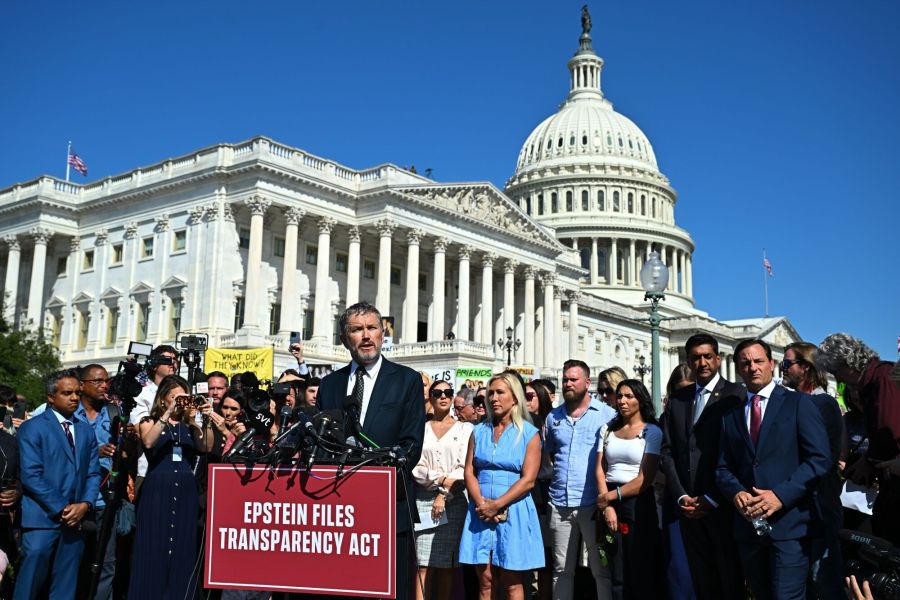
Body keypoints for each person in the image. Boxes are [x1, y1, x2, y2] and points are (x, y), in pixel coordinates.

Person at [317, 301, 425, 600]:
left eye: (372, 328)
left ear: (382, 334)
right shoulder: (330, 385)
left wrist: (373, 478)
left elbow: (412, 444)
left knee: (390, 590)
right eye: (357, 330)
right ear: (344, 339)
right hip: (339, 511)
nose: (366, 336)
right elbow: (322, 445)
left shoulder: (407, 380)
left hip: (390, 506)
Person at [716, 338, 831, 600]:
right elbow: (723, 468)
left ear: (771, 363)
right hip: (749, 529)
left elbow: (819, 459)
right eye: (745, 363)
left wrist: (780, 496)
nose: (752, 368)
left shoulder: (798, 404)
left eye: (758, 361)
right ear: (737, 368)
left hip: (790, 527)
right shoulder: (731, 415)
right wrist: (736, 493)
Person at [658, 334, 745, 600]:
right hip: (688, 506)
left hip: (723, 505)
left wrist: (712, 498)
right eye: (696, 358)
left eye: (708, 356)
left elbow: (739, 454)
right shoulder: (678, 400)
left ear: (718, 359)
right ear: (688, 361)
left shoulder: (736, 395)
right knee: (701, 580)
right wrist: (682, 496)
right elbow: (668, 451)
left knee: (729, 580)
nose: (702, 363)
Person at [15, 369, 101, 600]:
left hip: (75, 522)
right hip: (41, 520)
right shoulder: (32, 427)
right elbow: (31, 475)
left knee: (65, 589)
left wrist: (85, 504)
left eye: (77, 393)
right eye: (67, 393)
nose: (74, 397)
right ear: (51, 397)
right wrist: (63, 508)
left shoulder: (85, 430)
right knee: (29, 586)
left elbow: (94, 473)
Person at [459, 372, 544, 600]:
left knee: (511, 581)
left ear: (514, 397)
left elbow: (528, 480)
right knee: (485, 580)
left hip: (514, 510)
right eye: (491, 393)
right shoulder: (479, 431)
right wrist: (482, 504)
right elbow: (469, 471)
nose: (493, 398)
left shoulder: (529, 434)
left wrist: (497, 505)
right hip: (480, 511)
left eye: (500, 392)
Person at [128, 375, 214, 600]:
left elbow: (206, 446)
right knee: (154, 544)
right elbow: (149, 441)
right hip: (158, 488)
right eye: (175, 397)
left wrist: (205, 419)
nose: (180, 401)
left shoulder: (190, 425)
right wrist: (168, 413)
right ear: (163, 398)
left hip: (185, 489)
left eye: (184, 397)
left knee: (182, 546)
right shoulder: (149, 420)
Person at [818, 332, 900, 545]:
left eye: (836, 372)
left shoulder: (883, 379)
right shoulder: (871, 384)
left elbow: (889, 431)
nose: (838, 380)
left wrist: (870, 461)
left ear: (848, 364)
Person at [544, 360, 617, 600]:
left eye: (573, 379)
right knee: (561, 570)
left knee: (601, 570)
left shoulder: (607, 415)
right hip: (559, 503)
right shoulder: (553, 417)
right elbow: (551, 454)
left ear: (587, 383)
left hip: (592, 504)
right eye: (565, 379)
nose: (568, 384)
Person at [781, 342, 845, 600]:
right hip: (801, 508)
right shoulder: (800, 401)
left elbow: (816, 458)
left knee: (824, 581)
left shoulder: (823, 404)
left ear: (805, 367)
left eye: (787, 364)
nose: (783, 369)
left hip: (819, 507)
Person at [595, 379, 663, 599]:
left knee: (640, 566)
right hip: (610, 498)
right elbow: (600, 469)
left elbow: (645, 478)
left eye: (629, 396)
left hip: (638, 502)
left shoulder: (652, 431)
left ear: (640, 400)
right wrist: (607, 506)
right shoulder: (607, 429)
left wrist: (610, 497)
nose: (622, 401)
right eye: (620, 396)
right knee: (616, 568)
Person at [412, 380, 473, 600]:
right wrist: (441, 480)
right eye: (438, 393)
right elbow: (417, 467)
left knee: (447, 564)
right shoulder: (420, 429)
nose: (443, 396)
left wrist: (444, 493)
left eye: (448, 392)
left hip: (455, 500)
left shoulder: (466, 429)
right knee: (423, 563)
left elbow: (464, 467)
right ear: (431, 397)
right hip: (423, 500)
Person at [73, 364, 119, 600]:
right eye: (98, 381)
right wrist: (94, 451)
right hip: (73, 500)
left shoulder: (113, 413)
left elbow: (125, 457)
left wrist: (129, 442)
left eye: (106, 381)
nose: (104, 386)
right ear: (82, 385)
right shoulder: (68, 411)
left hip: (104, 500)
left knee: (105, 562)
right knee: (73, 560)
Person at [129, 345, 180, 492]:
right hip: (149, 469)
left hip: (179, 468)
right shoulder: (142, 394)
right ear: (154, 365)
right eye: (167, 360)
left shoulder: (183, 392)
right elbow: (141, 433)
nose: (172, 363)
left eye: (175, 359)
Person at [525, 380, 554, 600]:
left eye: (530, 396)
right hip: (528, 490)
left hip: (545, 489)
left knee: (546, 552)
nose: (525, 401)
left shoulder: (550, 424)